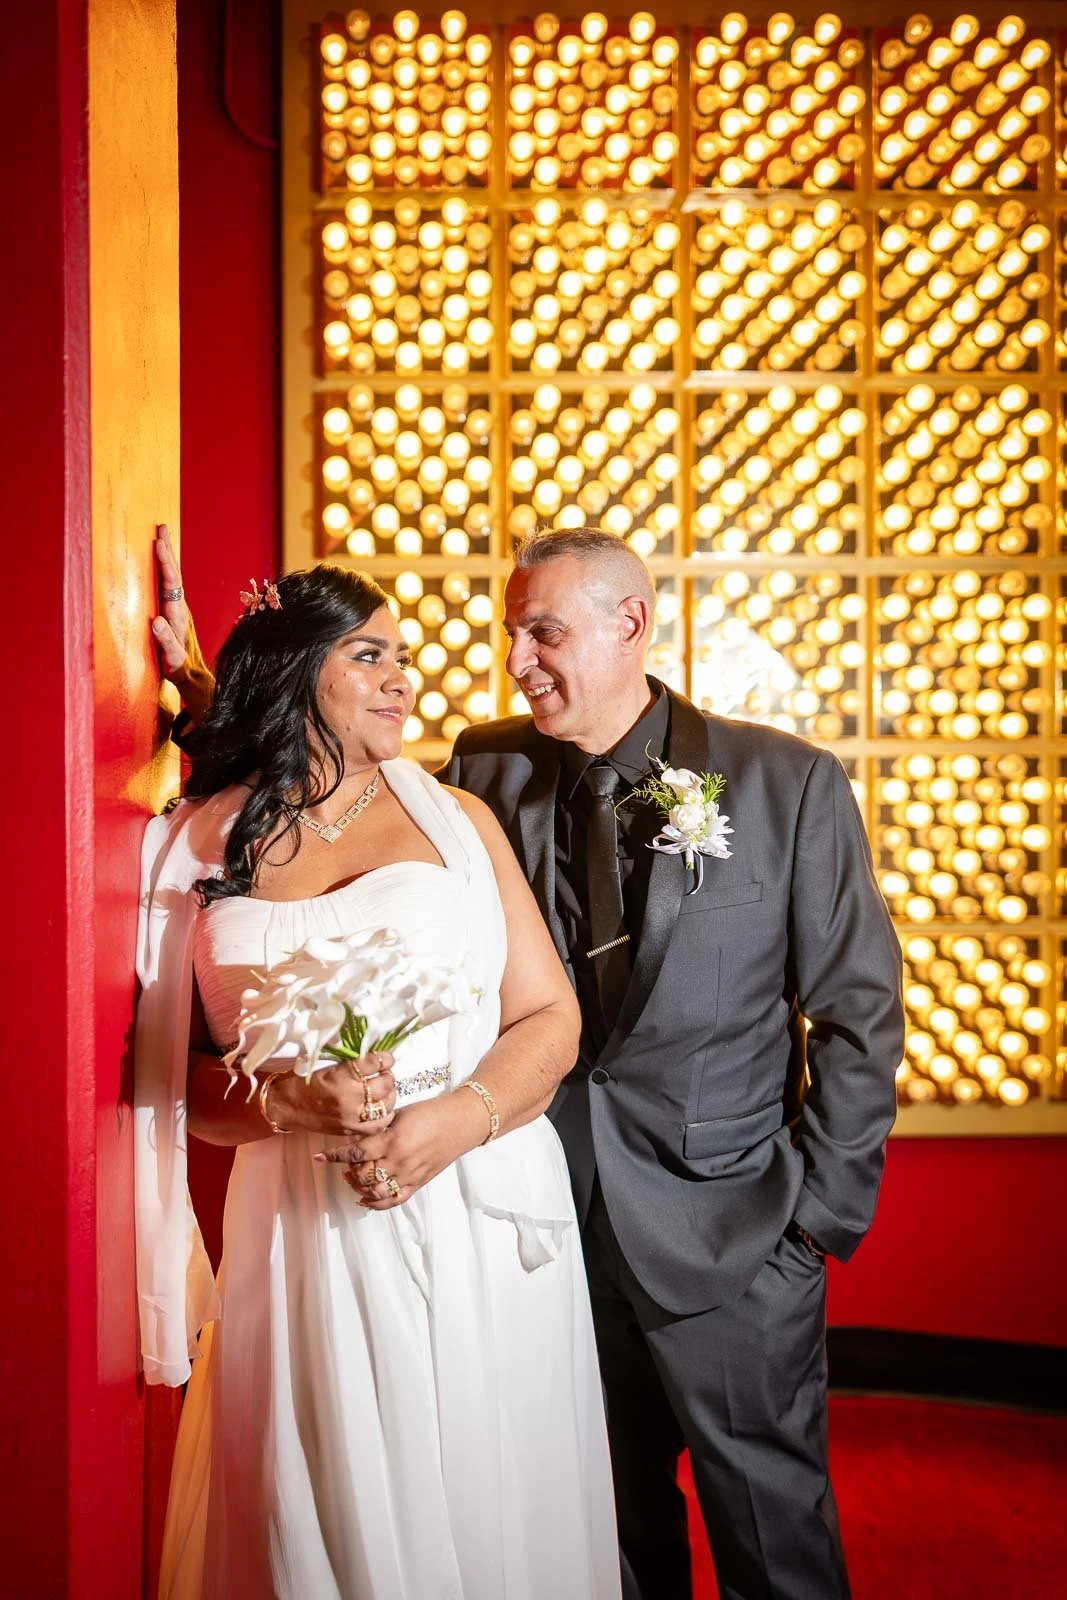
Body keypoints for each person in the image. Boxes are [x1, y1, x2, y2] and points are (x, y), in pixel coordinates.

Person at [158, 525, 905, 1600]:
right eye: (512, 632)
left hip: (733, 1237)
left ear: (629, 624)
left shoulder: (781, 782)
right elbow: (318, 801)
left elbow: (855, 1011)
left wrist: (811, 1222)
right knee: (608, 1535)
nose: (516, 659)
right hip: (541, 1235)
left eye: (543, 633)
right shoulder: (482, 767)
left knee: (773, 1540)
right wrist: (218, 702)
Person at [136, 558, 621, 1599]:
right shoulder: (195, 845)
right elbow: (174, 1087)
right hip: (298, 1233)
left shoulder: (458, 823)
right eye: (369, 656)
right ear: (297, 668)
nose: (403, 678)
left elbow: (550, 1019)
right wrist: (288, 1101)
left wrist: (455, 1119)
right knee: (315, 1523)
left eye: (402, 656)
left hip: (469, 1208)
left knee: (484, 1512)